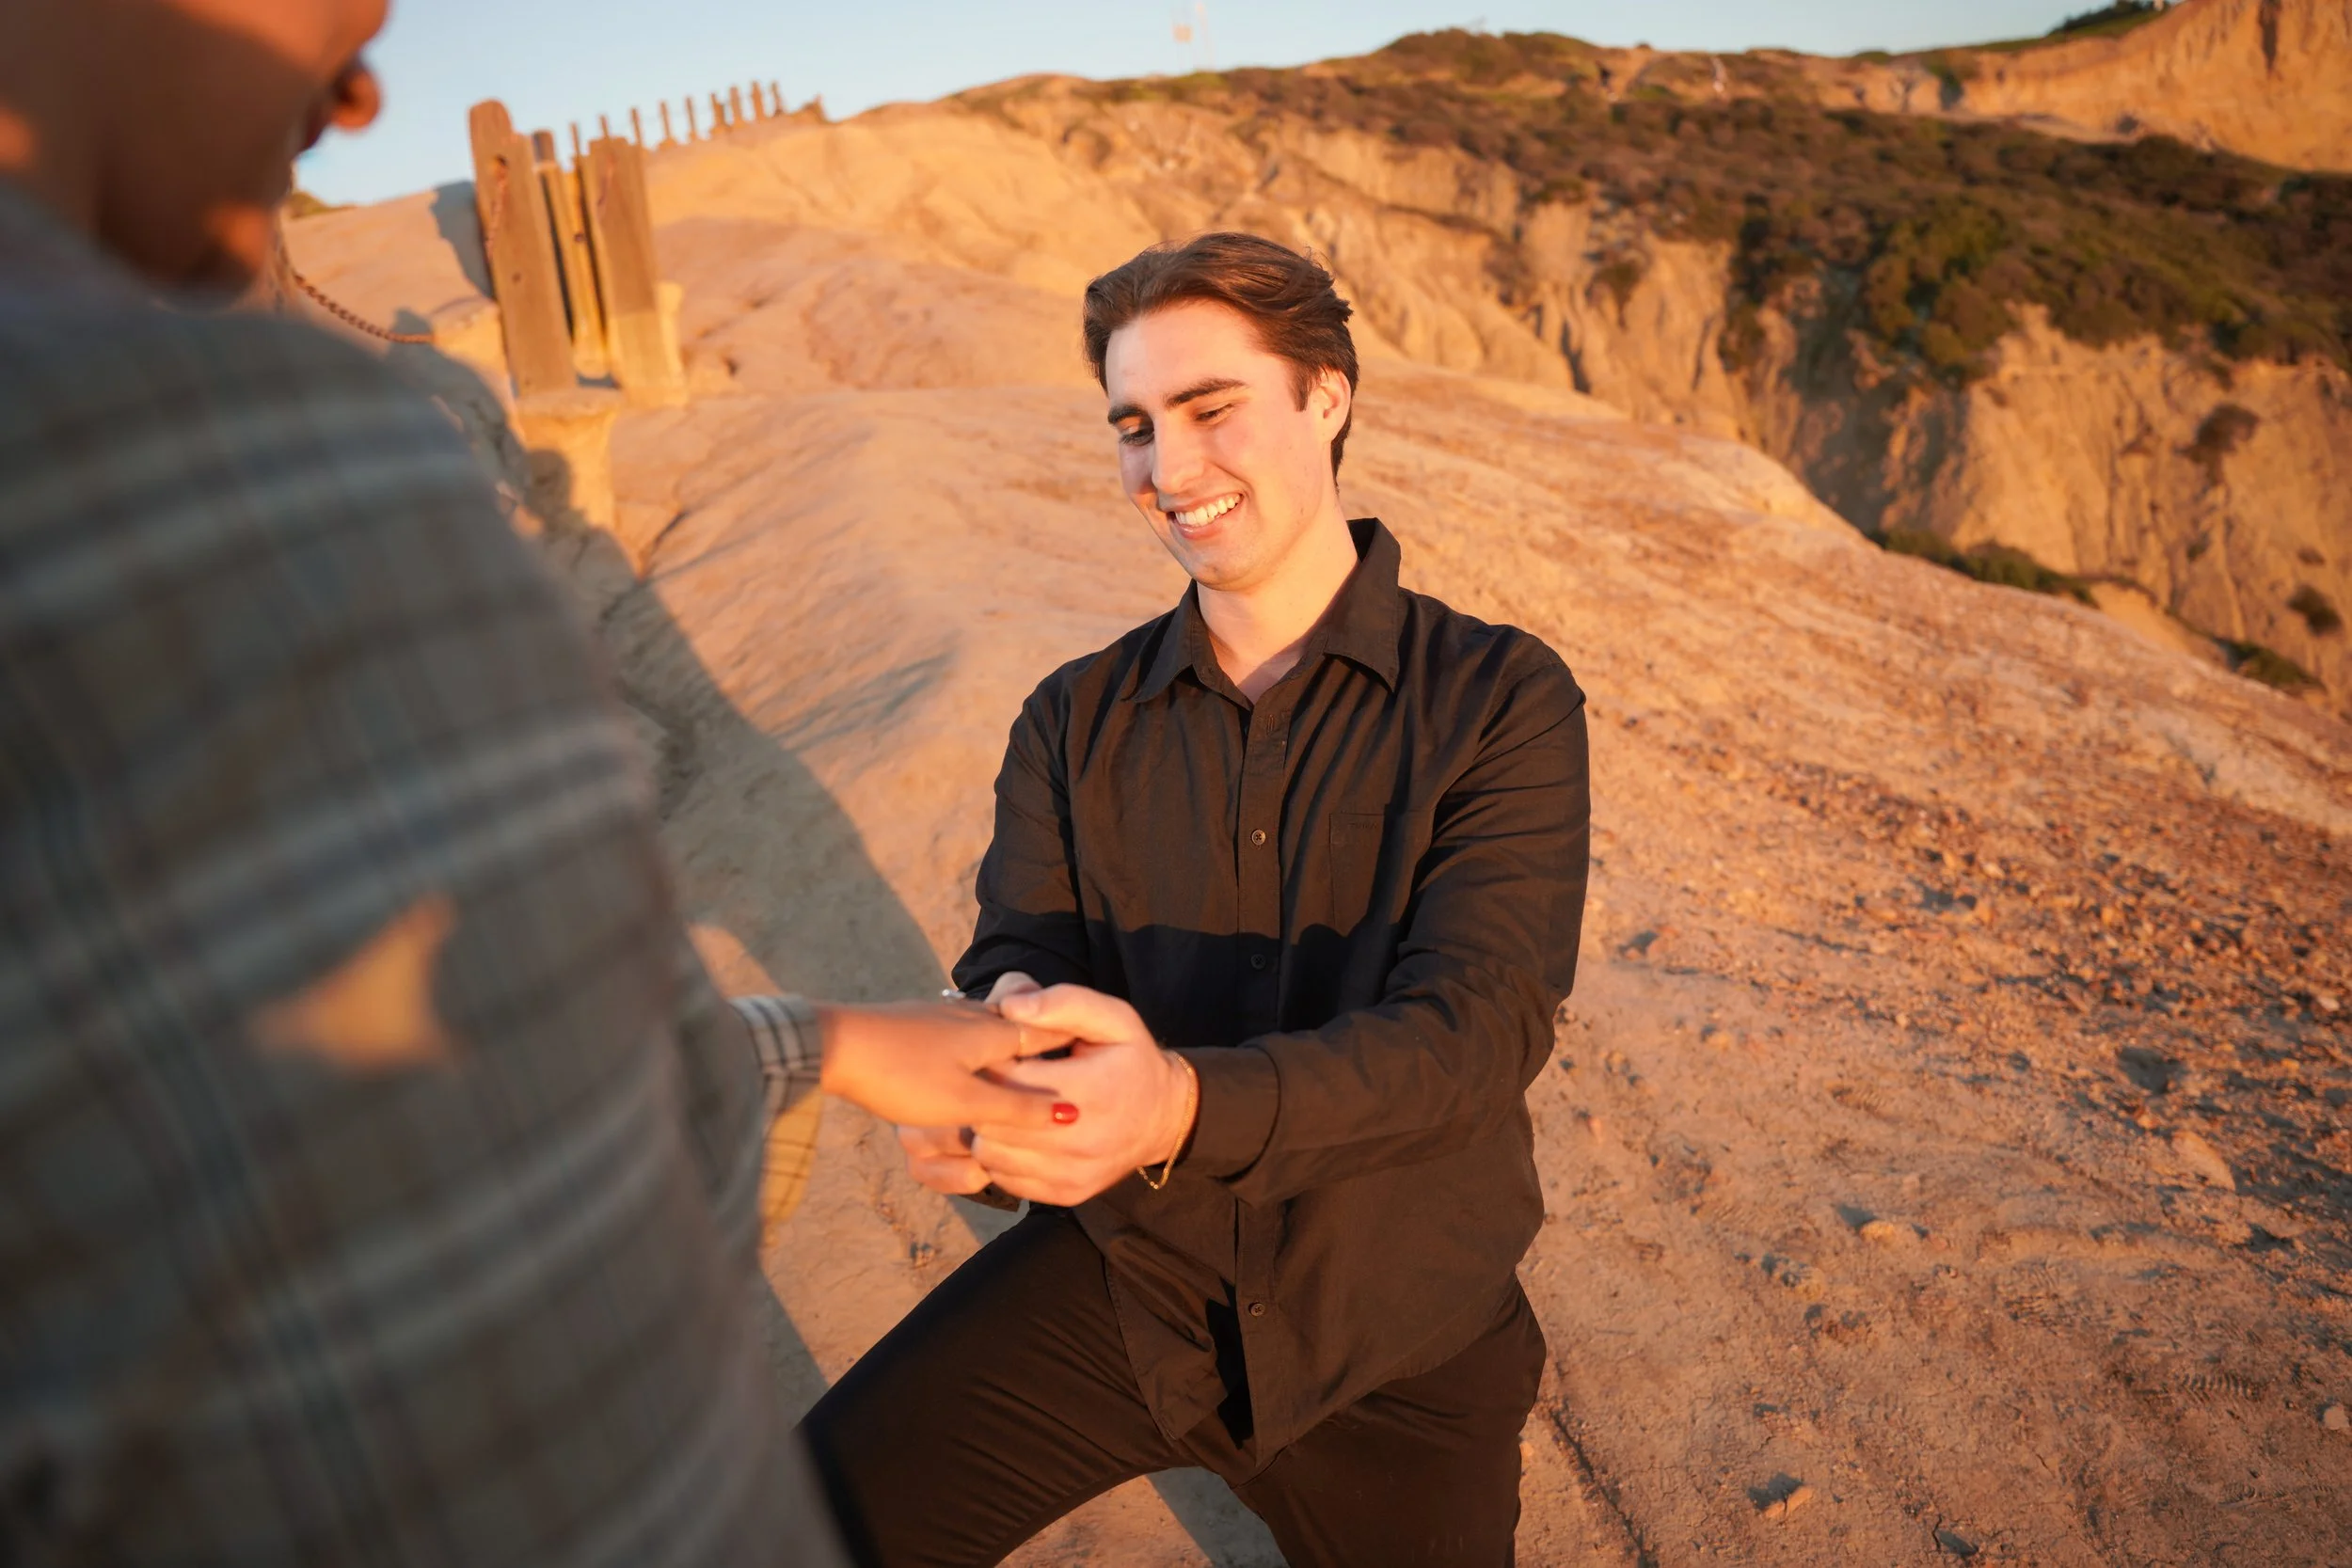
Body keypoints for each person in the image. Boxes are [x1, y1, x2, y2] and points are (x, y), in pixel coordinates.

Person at [0, 3, 1073, 1561]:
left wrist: (828, 1039)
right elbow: (532, 1324)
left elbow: (296, 1101)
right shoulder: (267, 471)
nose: (361, 90)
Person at [800, 233, 1592, 1566]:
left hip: (1396, 1326)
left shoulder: (1500, 697)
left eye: (1210, 408)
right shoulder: (1071, 718)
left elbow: (1479, 1027)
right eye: (1133, 426)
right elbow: (1020, 950)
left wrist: (1177, 1103)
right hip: (1130, 1282)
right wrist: (989, 1077)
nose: (1168, 470)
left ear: (1324, 395)